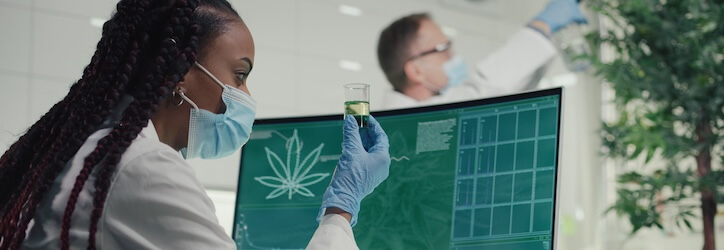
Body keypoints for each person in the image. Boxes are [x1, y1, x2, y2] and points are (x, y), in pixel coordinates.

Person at [0, 0, 389, 249]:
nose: (246, 96)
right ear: (181, 74)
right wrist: (339, 209)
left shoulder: (84, 148)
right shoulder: (143, 166)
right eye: (239, 75)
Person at [377, 0, 587, 109]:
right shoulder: (411, 127)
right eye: (443, 50)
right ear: (415, 70)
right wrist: (542, 25)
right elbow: (485, 91)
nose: (454, 56)